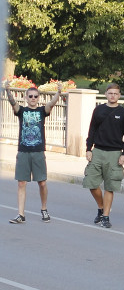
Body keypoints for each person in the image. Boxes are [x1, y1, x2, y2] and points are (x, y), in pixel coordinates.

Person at [6, 81, 62, 224]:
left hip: (38, 152)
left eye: (35, 96)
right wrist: (8, 90)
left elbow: (52, 104)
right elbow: (13, 103)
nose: (32, 98)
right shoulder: (22, 111)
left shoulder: (42, 111)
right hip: (24, 151)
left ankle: (44, 209)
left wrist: (58, 92)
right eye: (30, 96)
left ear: (38, 98)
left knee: (42, 183)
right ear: (26, 97)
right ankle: (21, 214)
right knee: (21, 183)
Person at [84, 83, 124, 228]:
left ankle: (105, 216)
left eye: (115, 94)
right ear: (106, 94)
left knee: (110, 186)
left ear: (119, 96)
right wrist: (88, 148)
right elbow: (92, 130)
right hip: (97, 151)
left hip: (115, 153)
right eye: (110, 93)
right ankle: (101, 207)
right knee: (91, 183)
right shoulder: (98, 110)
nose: (113, 96)